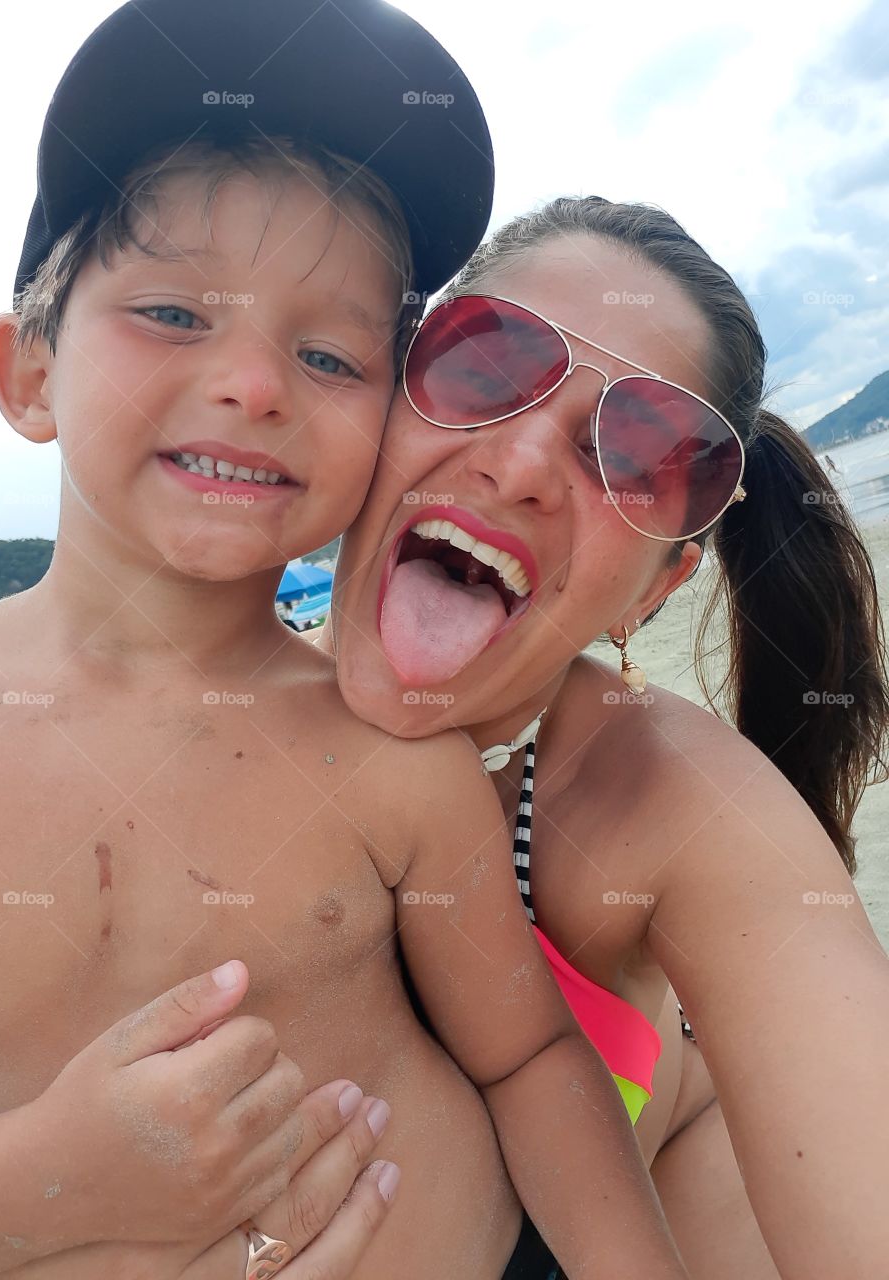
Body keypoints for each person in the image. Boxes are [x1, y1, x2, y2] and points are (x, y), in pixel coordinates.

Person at [0, 2, 691, 1277]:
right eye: (174, 314)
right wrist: (46, 1181)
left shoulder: (389, 748)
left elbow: (527, 1055)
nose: (257, 382)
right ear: (28, 372)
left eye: (333, 355)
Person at [318, 197, 889, 1279]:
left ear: (656, 588)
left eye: (635, 454)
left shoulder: (669, 803)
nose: (524, 462)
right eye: (483, 366)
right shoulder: (167, 707)